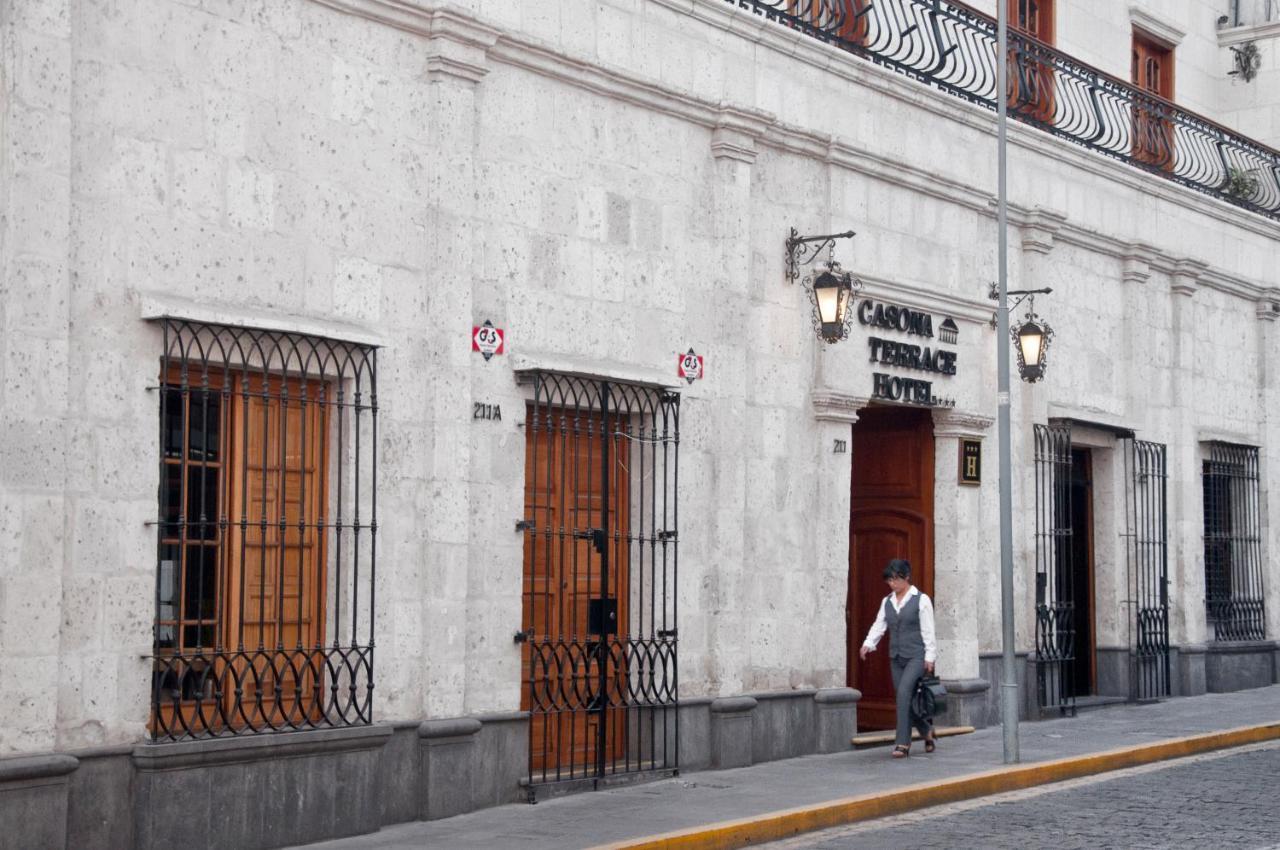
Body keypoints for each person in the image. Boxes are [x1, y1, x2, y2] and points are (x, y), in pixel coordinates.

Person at [858, 558, 937, 758]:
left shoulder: (921, 599)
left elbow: (929, 630)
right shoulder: (887, 602)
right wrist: (868, 644)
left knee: (903, 694)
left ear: (906, 578)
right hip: (896, 657)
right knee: (905, 699)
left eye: (896, 579)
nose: (892, 584)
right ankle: (927, 731)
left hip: (916, 656)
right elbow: (879, 625)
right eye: (890, 580)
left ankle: (902, 743)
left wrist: (930, 656)